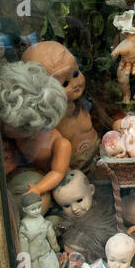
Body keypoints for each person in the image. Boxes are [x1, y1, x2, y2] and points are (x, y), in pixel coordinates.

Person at [22, 41, 100, 173]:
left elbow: (100, 118)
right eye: (64, 83)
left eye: (76, 74)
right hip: (73, 169)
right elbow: (46, 158)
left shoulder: (84, 103)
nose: (75, 84)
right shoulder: (50, 122)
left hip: (99, 155)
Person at [0, 61, 71, 196]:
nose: (3, 127)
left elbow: (58, 172)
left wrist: (39, 188)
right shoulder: (10, 138)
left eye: (7, 124)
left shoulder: (59, 144)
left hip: (54, 188)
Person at [18, 193, 62, 268]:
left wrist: (55, 246)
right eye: (33, 209)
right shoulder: (25, 224)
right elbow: (24, 244)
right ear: (25, 209)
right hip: (34, 256)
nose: (37, 211)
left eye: (39, 207)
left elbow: (51, 235)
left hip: (46, 252)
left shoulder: (41, 218)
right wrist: (25, 261)